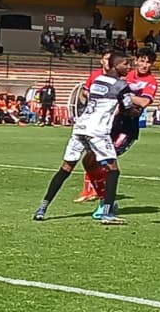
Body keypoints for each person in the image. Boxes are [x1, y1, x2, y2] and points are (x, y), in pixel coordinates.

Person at [34, 51, 134, 225]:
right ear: (116, 65)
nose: (129, 67)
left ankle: (42, 208)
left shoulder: (97, 80)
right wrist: (136, 109)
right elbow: (127, 108)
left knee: (66, 168)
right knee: (113, 169)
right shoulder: (121, 85)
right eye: (126, 64)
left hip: (80, 127)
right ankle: (107, 213)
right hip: (98, 130)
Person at [74, 48, 159, 214]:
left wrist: (123, 95)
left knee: (105, 162)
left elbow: (142, 102)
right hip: (109, 125)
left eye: (148, 62)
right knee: (88, 161)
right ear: (136, 60)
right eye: (142, 61)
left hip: (126, 129)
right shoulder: (125, 75)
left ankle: (105, 205)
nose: (144, 65)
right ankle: (104, 199)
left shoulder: (151, 82)